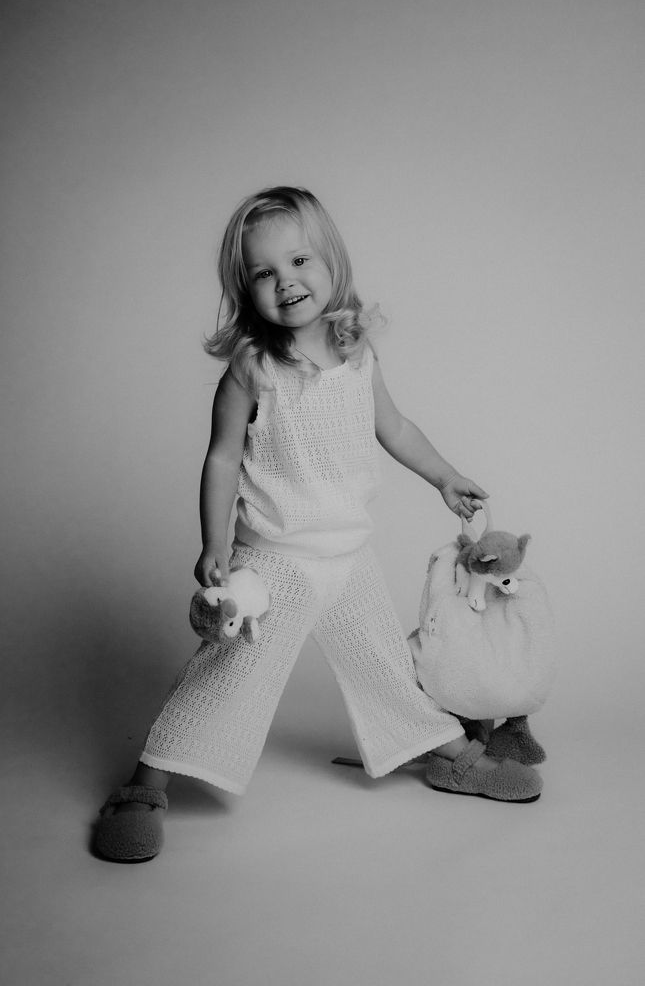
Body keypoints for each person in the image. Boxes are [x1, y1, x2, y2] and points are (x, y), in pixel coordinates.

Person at [94, 187, 542, 863]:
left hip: (348, 557)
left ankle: (450, 753)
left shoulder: (356, 351)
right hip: (276, 559)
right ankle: (143, 786)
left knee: (385, 664)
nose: (286, 281)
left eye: (299, 261)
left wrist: (444, 476)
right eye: (263, 272)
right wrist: (214, 542)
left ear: (332, 262)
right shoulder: (253, 366)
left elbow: (395, 427)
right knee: (228, 675)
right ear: (245, 289)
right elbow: (222, 458)